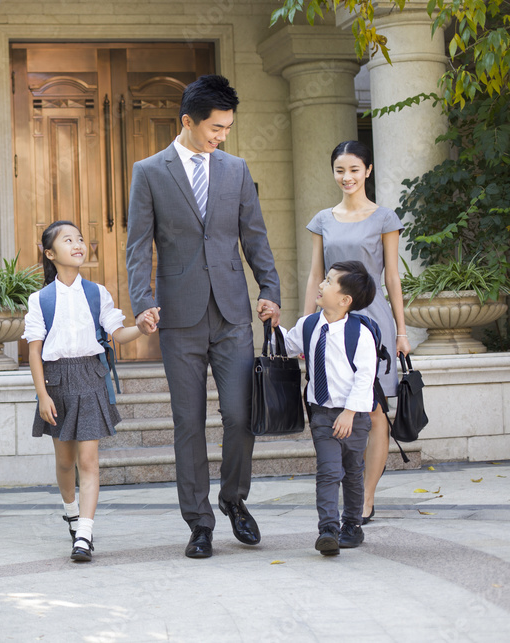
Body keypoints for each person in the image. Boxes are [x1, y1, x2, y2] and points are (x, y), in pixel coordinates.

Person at [126, 74, 281, 559]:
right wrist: (143, 300)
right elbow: (138, 246)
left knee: (240, 416)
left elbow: (254, 235)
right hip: (180, 317)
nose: (221, 136)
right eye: (215, 128)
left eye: (228, 128)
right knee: (188, 422)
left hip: (234, 312)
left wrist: (270, 289)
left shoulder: (235, 169)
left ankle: (234, 499)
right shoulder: (149, 171)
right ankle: (199, 522)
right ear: (188, 122)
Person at [24, 220, 151, 562]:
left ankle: (84, 533)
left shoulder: (97, 293)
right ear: (50, 253)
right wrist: (42, 395)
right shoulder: (40, 299)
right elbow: (34, 352)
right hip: (56, 382)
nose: (78, 244)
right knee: (65, 463)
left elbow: (117, 334)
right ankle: (71, 511)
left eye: (80, 239)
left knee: (88, 460)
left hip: (91, 377)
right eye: (68, 240)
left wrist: (139, 327)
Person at [304, 140, 410, 525]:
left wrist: (400, 331)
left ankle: (365, 498)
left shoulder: (384, 218)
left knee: (376, 411)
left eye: (353, 170)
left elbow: (393, 279)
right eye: (339, 170)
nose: (346, 177)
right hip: (332, 324)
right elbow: (316, 275)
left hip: (375, 321)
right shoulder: (322, 219)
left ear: (367, 171)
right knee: (337, 404)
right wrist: (306, 327)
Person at [281, 260, 379, 555]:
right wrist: (274, 325)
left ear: (345, 299)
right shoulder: (309, 324)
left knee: (352, 471)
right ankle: (328, 530)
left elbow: (366, 376)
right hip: (321, 413)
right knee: (328, 471)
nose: (321, 285)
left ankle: (352, 525)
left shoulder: (360, 333)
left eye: (329, 282)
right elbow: (286, 346)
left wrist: (350, 412)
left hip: (355, 415)